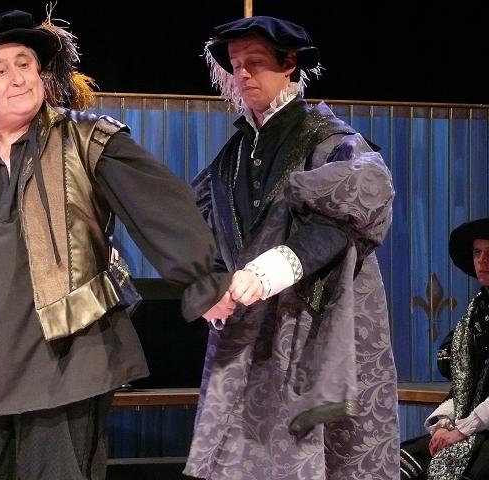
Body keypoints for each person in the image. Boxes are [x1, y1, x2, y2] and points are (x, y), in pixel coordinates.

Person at [0, 8, 229, 480]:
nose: (17, 78)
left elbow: (160, 208)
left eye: (25, 64)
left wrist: (203, 280)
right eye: (0, 69)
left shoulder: (87, 139)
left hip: (69, 361)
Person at [183, 16, 399, 480]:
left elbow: (356, 206)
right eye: (236, 65)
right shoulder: (233, 155)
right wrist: (207, 284)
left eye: (255, 62)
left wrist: (272, 269)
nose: (243, 74)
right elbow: (198, 224)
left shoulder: (330, 140)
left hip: (313, 323)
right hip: (247, 329)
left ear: (289, 66)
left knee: (318, 454)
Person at [400, 218, 489, 480]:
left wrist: (462, 430)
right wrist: (443, 424)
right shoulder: (474, 313)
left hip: (481, 428)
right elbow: (463, 387)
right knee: (399, 463)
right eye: (477, 252)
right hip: (471, 425)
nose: (482, 260)